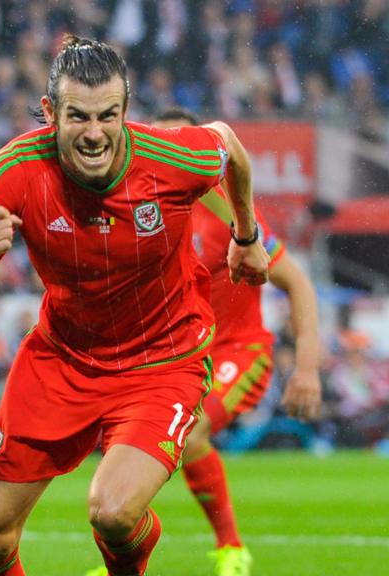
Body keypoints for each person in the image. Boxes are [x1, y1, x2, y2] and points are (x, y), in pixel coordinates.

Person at [0, 35, 270, 576]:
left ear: (125, 110)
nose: (94, 134)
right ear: (50, 112)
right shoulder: (12, 173)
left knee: (114, 513)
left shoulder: (169, 157)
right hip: (62, 359)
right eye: (78, 117)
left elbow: (229, 144)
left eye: (108, 115)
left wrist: (246, 233)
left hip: (163, 362)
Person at [151, 107, 322, 576]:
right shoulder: (141, 216)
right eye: (156, 145)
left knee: (191, 433)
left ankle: (232, 549)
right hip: (174, 360)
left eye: (176, 146)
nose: (164, 158)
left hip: (237, 351)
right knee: (137, 447)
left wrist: (306, 368)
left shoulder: (227, 211)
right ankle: (123, 559)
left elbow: (299, 284)